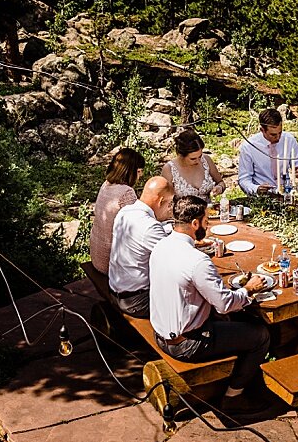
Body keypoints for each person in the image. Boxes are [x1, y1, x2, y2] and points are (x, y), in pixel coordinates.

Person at [148, 194, 274, 406]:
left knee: (230, 321)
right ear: (194, 223)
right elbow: (224, 305)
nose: (206, 226)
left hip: (160, 333)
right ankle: (234, 397)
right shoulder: (197, 261)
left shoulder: (161, 246)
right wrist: (248, 290)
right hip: (187, 343)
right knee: (260, 335)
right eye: (206, 221)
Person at [108, 176, 174, 317]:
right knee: (194, 299)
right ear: (161, 201)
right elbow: (175, 260)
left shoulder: (125, 212)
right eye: (169, 204)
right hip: (136, 301)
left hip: (116, 289)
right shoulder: (149, 226)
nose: (170, 209)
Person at [89, 147, 146, 276]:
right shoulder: (126, 192)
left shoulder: (106, 184)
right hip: (110, 262)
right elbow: (137, 228)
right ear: (131, 171)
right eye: (139, 171)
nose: (140, 176)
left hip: (97, 254)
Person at [236, 107, 298, 195]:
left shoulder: (289, 139)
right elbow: (243, 179)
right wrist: (256, 188)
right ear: (262, 130)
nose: (278, 137)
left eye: (280, 133)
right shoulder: (249, 146)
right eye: (273, 134)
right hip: (262, 197)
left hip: (286, 192)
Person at [162, 128, 224, 200]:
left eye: (200, 156)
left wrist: (220, 188)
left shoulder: (206, 160)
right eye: (193, 159)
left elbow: (221, 182)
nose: (198, 161)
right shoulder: (169, 169)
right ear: (181, 155)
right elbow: (166, 200)